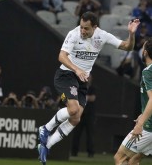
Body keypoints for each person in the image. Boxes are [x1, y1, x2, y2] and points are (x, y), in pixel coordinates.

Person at [37, 11, 140, 165]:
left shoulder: (102, 35)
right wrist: (77, 69)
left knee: (76, 118)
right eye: (81, 27)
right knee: (73, 110)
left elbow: (127, 47)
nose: (83, 31)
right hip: (66, 75)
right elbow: (62, 56)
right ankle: (45, 128)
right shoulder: (73, 34)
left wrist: (131, 34)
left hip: (82, 81)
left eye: (86, 28)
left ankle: (47, 145)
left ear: (95, 27)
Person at [114, 37, 152, 165]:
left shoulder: (148, 71)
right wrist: (143, 114)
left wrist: (141, 123)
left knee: (120, 157)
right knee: (134, 160)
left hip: (148, 128)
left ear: (145, 52)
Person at [71, 74, 96, 157]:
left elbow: (93, 98)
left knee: (90, 134)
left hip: (89, 115)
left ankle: (90, 152)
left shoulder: (93, 88)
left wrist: (84, 97)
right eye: (87, 78)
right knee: (77, 134)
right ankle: (74, 152)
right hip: (79, 114)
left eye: (89, 78)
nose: (88, 79)